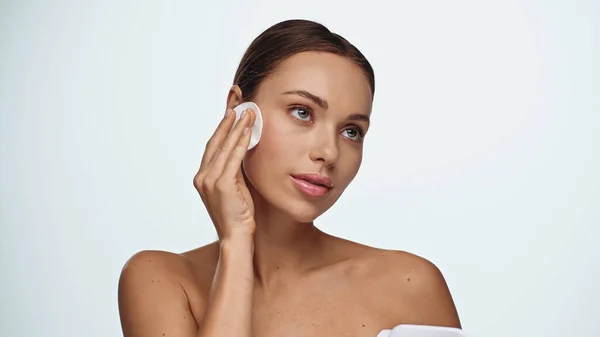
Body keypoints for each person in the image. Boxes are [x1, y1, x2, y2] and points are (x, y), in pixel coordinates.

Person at [118, 19, 462, 337]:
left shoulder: (409, 286)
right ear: (239, 111)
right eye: (302, 112)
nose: (329, 152)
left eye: (352, 131)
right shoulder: (160, 280)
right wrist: (236, 244)